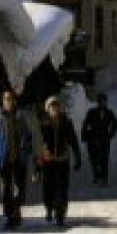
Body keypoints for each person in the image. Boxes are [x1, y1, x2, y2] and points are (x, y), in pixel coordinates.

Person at [0, 88, 37, 230]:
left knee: (21, 190)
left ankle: (16, 209)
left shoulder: (23, 117)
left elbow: (33, 135)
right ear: (2, 101)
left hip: (20, 158)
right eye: (6, 98)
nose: (9, 101)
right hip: (3, 159)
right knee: (6, 189)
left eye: (11, 98)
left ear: (15, 100)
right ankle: (10, 215)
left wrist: (33, 152)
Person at [36, 95, 83, 227]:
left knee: (62, 189)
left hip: (63, 159)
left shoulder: (66, 122)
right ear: (47, 109)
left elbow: (73, 140)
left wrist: (77, 156)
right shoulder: (42, 122)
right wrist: (37, 161)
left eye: (56, 106)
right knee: (48, 189)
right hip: (48, 160)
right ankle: (49, 208)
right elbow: (37, 142)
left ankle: (60, 214)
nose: (54, 109)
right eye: (51, 106)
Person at [80, 93, 117, 184]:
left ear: (106, 102)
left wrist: (110, 134)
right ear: (98, 102)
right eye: (100, 101)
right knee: (93, 158)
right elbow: (85, 124)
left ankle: (104, 177)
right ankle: (96, 175)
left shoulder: (109, 112)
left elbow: (115, 124)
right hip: (92, 138)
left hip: (105, 138)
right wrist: (84, 136)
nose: (102, 103)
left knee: (104, 159)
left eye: (103, 101)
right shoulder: (91, 112)